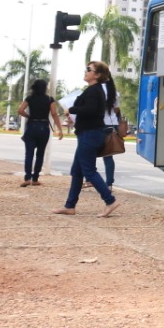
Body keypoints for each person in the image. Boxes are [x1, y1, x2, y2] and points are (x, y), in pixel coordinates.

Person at [53, 63, 122, 217]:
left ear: (97, 75)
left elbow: (89, 110)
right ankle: (70, 206)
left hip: (90, 134)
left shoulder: (93, 91)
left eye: (88, 70)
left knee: (89, 171)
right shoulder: (95, 90)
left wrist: (71, 110)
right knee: (77, 171)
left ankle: (110, 201)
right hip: (89, 133)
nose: (85, 72)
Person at [19, 79, 62, 187]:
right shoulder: (49, 99)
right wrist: (59, 129)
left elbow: (20, 110)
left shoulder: (29, 98)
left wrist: (29, 116)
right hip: (43, 127)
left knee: (29, 154)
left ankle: (27, 178)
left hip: (31, 126)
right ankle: (35, 179)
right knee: (40, 154)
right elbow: (54, 113)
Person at [97, 64, 120, 189]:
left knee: (89, 153)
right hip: (112, 125)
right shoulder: (114, 92)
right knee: (108, 156)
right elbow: (116, 110)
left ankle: (90, 179)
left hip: (99, 124)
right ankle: (109, 183)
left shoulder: (97, 89)